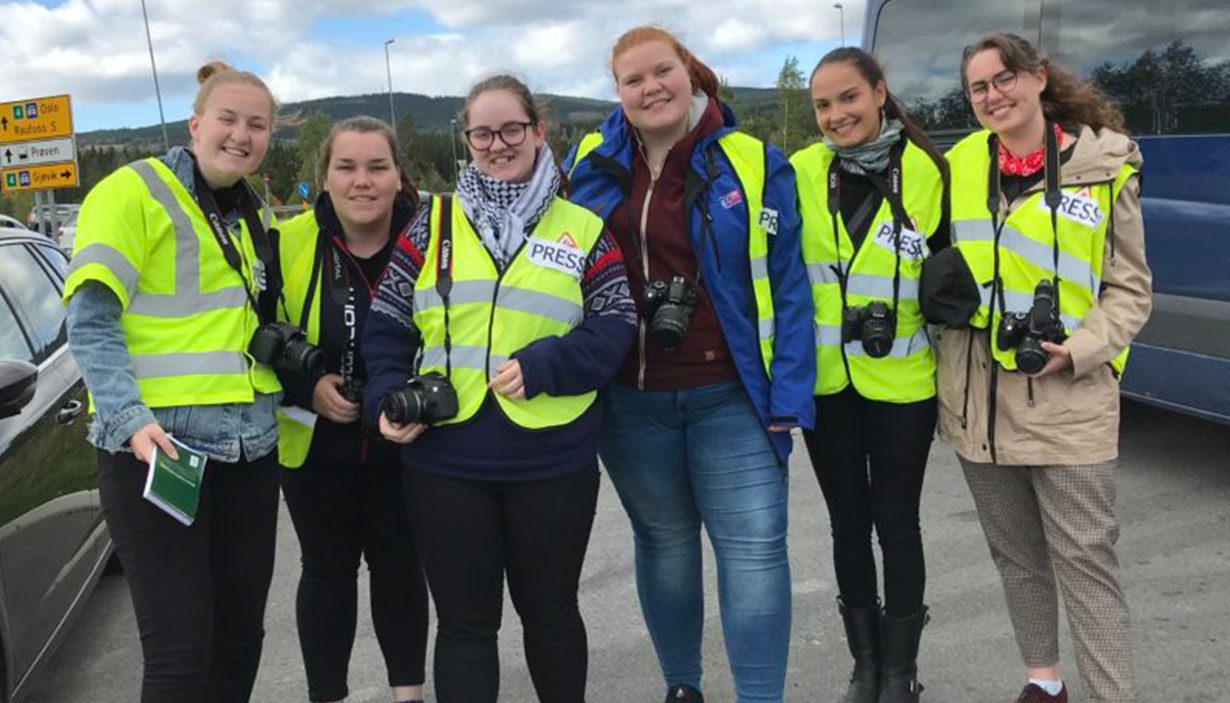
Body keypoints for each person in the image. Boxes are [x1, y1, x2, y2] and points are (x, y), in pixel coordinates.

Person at [362, 74, 637, 703]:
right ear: (466, 139)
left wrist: (548, 366)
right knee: (465, 627)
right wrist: (384, 400)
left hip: (552, 461)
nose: (498, 143)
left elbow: (615, 325)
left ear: (539, 132)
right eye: (482, 132)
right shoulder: (428, 224)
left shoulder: (584, 229)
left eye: (512, 128)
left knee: (553, 615)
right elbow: (385, 329)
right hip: (444, 462)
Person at [565, 26, 816, 703]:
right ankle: (684, 687)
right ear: (617, 93)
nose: (651, 88)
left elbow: (791, 286)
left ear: (691, 72)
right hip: (631, 399)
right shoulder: (590, 158)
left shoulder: (754, 161)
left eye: (661, 71)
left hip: (732, 395)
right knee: (666, 548)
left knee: (755, 553)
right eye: (633, 80)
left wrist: (790, 398)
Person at [932, 33, 1151, 703]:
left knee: (1087, 561)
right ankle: (1043, 682)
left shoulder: (1104, 163)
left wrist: (1082, 349)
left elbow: (1131, 288)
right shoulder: (959, 164)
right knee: (1018, 560)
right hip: (980, 402)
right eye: (978, 87)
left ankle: (1112, 694)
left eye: (1003, 79)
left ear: (1037, 78)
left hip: (1069, 393)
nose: (992, 95)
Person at [62, 61, 284, 701]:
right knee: (181, 656)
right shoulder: (131, 192)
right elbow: (91, 322)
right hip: (159, 449)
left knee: (241, 639)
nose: (241, 136)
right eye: (228, 119)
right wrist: (130, 421)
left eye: (257, 125)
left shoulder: (252, 213)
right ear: (195, 123)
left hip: (250, 448)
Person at [791, 47, 949, 703]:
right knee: (847, 526)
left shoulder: (932, 170)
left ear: (880, 92)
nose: (836, 115)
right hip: (828, 383)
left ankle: (900, 670)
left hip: (903, 383)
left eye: (849, 98)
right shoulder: (798, 171)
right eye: (823, 105)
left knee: (897, 523)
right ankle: (864, 663)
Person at [276, 116, 429, 703]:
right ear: (324, 178)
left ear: (398, 176)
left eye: (376, 166)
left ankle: (407, 696)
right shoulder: (286, 243)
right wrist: (305, 386)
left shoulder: (430, 241)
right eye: (346, 167)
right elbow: (256, 334)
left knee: (399, 569)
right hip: (317, 444)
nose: (361, 181)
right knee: (325, 575)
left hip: (405, 439)